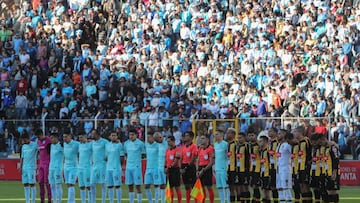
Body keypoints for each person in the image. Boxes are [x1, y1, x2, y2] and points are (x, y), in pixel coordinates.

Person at [311, 133, 340, 203]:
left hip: (332, 172)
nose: (320, 144)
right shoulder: (322, 148)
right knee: (325, 192)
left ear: (323, 139)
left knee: (332, 192)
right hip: (325, 172)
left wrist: (334, 172)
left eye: (320, 142)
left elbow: (336, 159)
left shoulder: (332, 147)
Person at [124, 128, 146, 203]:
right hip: (128, 167)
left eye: (132, 135)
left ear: (136, 135)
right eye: (130, 135)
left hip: (136, 167)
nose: (131, 136)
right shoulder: (126, 143)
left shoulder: (140, 144)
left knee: (138, 186)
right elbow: (126, 154)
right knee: (130, 185)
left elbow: (143, 155)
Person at [293, 126, 313, 203]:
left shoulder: (306, 141)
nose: (294, 134)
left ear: (299, 132)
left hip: (305, 167)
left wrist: (309, 162)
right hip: (299, 168)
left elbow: (310, 151)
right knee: (301, 186)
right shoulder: (297, 143)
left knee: (306, 186)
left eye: (295, 132)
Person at [105, 131, 125, 203]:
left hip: (116, 168)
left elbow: (122, 157)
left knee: (117, 185)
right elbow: (106, 156)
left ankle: (119, 201)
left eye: (115, 135)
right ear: (110, 137)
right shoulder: (107, 145)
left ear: (117, 137)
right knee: (109, 186)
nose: (113, 137)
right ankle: (111, 201)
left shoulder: (119, 145)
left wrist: (119, 165)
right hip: (108, 168)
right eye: (112, 135)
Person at [90, 129, 109, 203]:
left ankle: (103, 201)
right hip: (94, 166)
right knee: (91, 184)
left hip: (103, 166)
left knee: (103, 184)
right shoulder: (92, 143)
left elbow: (110, 149)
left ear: (97, 134)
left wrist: (107, 156)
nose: (92, 135)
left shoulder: (104, 142)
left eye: (93, 134)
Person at [20, 131, 38, 203]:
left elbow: (41, 150)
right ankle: (27, 201)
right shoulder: (23, 147)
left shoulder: (34, 145)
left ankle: (33, 201)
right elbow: (22, 157)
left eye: (24, 139)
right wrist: (21, 167)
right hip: (24, 168)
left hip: (31, 167)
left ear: (28, 138)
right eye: (23, 140)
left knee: (32, 184)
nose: (23, 141)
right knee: (25, 184)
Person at [180, 131, 198, 203]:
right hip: (184, 166)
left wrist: (186, 168)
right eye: (185, 135)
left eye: (187, 135)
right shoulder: (183, 147)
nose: (185, 137)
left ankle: (196, 201)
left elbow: (193, 157)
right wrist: (181, 168)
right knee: (187, 186)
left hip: (190, 167)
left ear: (191, 137)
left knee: (193, 186)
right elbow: (181, 158)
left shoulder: (194, 146)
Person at [276, 129, 293, 203]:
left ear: (284, 134)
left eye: (280, 133)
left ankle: (289, 200)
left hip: (285, 169)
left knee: (286, 187)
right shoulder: (279, 145)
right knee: (279, 187)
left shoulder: (287, 145)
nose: (278, 135)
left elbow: (293, 154)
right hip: (278, 169)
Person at [35, 129, 52, 203]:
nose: (38, 138)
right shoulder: (38, 142)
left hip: (47, 163)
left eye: (38, 136)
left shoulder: (48, 140)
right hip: (41, 164)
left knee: (47, 182)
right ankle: (42, 200)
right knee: (40, 182)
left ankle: (49, 199)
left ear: (42, 134)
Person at [197, 134, 215, 203]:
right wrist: (197, 170)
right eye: (201, 138)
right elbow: (198, 160)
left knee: (209, 187)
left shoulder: (210, 149)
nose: (201, 140)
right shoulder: (200, 148)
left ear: (207, 140)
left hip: (207, 169)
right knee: (201, 187)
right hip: (200, 168)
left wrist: (203, 170)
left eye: (203, 138)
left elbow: (211, 162)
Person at [63, 130, 80, 203]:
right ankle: (72, 201)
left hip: (73, 167)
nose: (64, 138)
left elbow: (83, 146)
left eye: (66, 137)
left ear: (70, 136)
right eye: (63, 137)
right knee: (68, 184)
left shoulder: (76, 144)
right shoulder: (63, 144)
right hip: (66, 166)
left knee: (71, 184)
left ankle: (70, 201)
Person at [165, 135, 182, 203]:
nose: (168, 143)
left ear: (173, 141)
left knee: (177, 187)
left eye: (169, 141)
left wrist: (169, 168)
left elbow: (176, 161)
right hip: (169, 170)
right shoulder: (167, 150)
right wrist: (165, 167)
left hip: (175, 170)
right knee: (170, 187)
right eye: (167, 141)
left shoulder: (177, 149)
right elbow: (166, 160)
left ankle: (179, 201)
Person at [213, 130, 229, 203]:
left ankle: (228, 201)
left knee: (225, 186)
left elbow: (227, 157)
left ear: (222, 135)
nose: (216, 136)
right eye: (215, 134)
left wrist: (227, 167)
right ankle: (222, 201)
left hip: (224, 168)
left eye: (217, 134)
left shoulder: (225, 144)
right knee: (219, 186)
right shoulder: (215, 144)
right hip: (217, 168)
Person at [48, 131, 64, 203]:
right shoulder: (51, 146)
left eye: (52, 138)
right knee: (52, 186)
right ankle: (54, 200)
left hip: (58, 168)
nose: (51, 140)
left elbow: (66, 154)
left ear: (56, 138)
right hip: (51, 168)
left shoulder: (61, 146)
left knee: (58, 185)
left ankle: (59, 201)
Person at [236, 132, 250, 202]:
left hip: (245, 169)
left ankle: (247, 201)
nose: (239, 139)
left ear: (244, 138)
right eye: (238, 138)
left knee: (245, 187)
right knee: (239, 186)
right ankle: (241, 201)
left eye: (240, 138)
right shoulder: (237, 146)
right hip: (238, 169)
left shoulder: (247, 146)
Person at [78, 131, 92, 203]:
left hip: (87, 168)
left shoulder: (90, 144)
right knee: (81, 186)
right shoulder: (79, 145)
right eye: (79, 137)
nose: (80, 139)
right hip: (80, 168)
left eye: (81, 137)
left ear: (85, 137)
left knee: (88, 186)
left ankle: (90, 201)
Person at [144, 131, 158, 203]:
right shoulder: (146, 145)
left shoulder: (157, 145)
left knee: (156, 185)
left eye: (149, 137)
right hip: (148, 168)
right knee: (146, 185)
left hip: (156, 168)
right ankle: (150, 201)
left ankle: (155, 201)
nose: (148, 139)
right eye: (147, 137)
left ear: (153, 138)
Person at [154, 132, 168, 203]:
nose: (157, 142)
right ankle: (162, 201)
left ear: (160, 137)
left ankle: (166, 200)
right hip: (159, 167)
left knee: (166, 184)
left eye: (157, 140)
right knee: (161, 184)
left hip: (165, 167)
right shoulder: (157, 144)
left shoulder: (167, 143)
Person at [248, 129, 261, 203]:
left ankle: (257, 200)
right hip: (251, 168)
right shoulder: (248, 145)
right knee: (252, 185)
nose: (251, 137)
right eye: (249, 136)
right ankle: (254, 198)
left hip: (258, 168)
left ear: (256, 136)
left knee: (256, 185)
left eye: (252, 135)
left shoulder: (258, 145)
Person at [226, 128, 238, 203]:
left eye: (229, 133)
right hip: (227, 169)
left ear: (233, 134)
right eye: (227, 133)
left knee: (236, 187)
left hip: (234, 169)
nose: (227, 134)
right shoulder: (226, 144)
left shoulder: (236, 144)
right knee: (230, 187)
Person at [268, 128, 279, 203]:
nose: (269, 133)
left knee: (276, 186)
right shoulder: (269, 143)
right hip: (270, 167)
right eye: (268, 131)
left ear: (275, 133)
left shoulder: (277, 142)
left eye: (271, 131)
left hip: (276, 167)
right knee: (272, 186)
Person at [259, 134, 271, 203]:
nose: (259, 143)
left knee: (267, 191)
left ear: (265, 142)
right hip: (262, 173)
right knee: (264, 191)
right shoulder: (262, 151)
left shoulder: (268, 150)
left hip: (267, 173)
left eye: (261, 141)